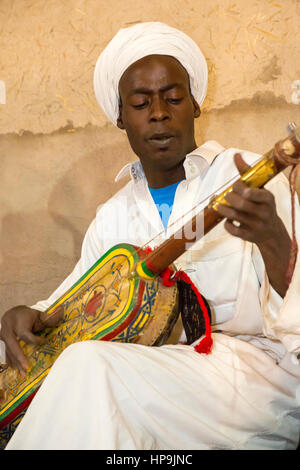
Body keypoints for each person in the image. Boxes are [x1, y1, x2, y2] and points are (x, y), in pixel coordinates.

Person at [1, 22, 300, 450]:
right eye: (141, 103)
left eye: (173, 98)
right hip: (149, 374)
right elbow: (74, 304)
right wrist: (26, 313)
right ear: (120, 117)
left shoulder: (247, 177)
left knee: (90, 367)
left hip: (256, 380)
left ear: (195, 104)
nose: (159, 112)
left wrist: (272, 238)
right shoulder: (113, 217)